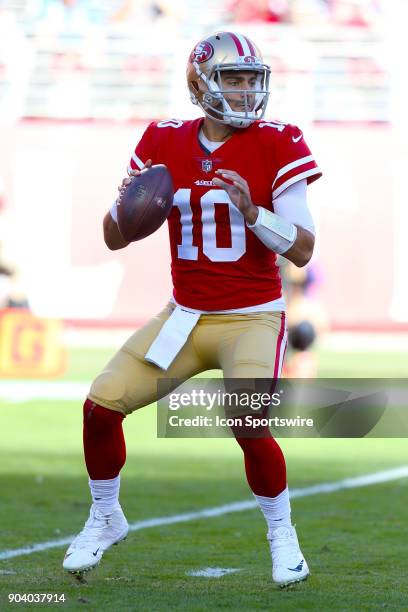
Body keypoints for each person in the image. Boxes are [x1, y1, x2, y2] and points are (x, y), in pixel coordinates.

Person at [63, 31, 321, 587]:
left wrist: (253, 212)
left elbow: (302, 249)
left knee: (247, 423)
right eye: (235, 78)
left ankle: (283, 534)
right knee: (100, 406)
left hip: (252, 314)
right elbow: (113, 238)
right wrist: (127, 206)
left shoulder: (280, 141)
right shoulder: (161, 138)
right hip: (184, 315)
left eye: (254, 78)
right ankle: (105, 516)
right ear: (201, 83)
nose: (248, 90)